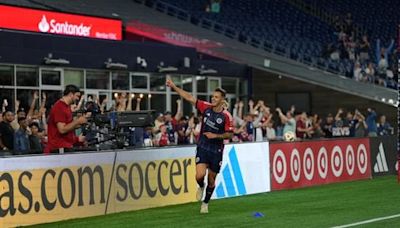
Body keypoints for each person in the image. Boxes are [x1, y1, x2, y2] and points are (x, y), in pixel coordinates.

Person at [166, 76, 233, 214]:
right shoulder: (206, 108)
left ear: (222, 100)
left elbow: (229, 135)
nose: (213, 99)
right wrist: (173, 86)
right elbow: (189, 97)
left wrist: (216, 136)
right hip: (203, 146)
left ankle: (206, 203)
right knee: (199, 175)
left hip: (216, 150)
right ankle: (200, 186)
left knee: (212, 179)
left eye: (216, 97)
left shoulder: (226, 116)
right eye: (212, 96)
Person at [45, 85, 87, 154]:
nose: (78, 99)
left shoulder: (66, 107)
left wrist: (79, 125)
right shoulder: (59, 107)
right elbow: (62, 129)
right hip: (59, 148)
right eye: (77, 96)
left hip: (65, 146)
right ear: (70, 94)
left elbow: (68, 127)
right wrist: (77, 121)